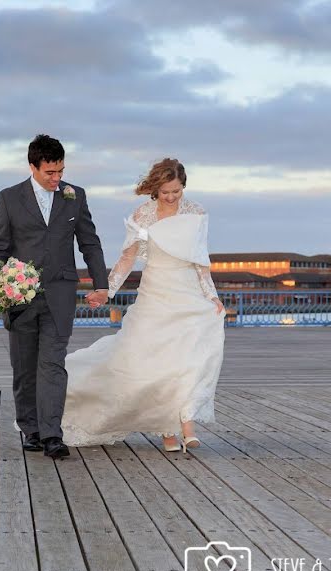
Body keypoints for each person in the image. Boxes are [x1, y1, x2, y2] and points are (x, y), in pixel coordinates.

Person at [61, 158, 226, 452]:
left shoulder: (197, 213)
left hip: (188, 294)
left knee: (187, 359)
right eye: (166, 192)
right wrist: (107, 291)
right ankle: (167, 430)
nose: (172, 198)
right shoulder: (143, 216)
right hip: (156, 293)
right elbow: (127, 259)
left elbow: (201, 261)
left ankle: (186, 423)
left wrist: (211, 295)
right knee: (155, 362)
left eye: (177, 191)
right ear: (155, 190)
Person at [0, 134, 109, 459]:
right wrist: (4, 282)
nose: (57, 178)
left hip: (60, 294)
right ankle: (31, 429)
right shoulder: (10, 198)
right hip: (19, 299)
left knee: (53, 365)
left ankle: (53, 434)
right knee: (24, 367)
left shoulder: (75, 196)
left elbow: (90, 242)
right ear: (33, 167)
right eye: (49, 173)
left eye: (60, 171)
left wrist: (101, 283)